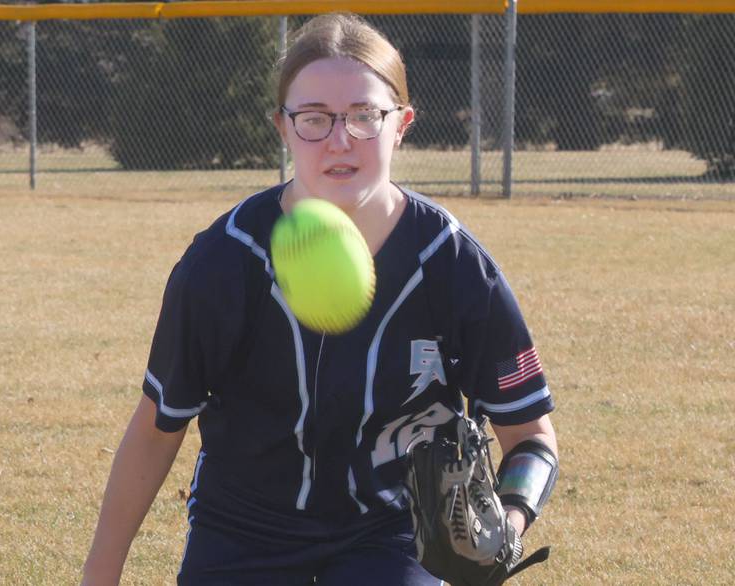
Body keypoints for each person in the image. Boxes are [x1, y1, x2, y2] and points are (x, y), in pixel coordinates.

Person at [82, 12, 558, 586]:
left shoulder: (454, 266)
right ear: (282, 127)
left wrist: (505, 523)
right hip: (243, 526)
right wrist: (99, 576)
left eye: (364, 115)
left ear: (402, 123)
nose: (340, 140)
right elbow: (159, 428)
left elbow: (531, 437)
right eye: (314, 118)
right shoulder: (224, 260)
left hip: (394, 530)